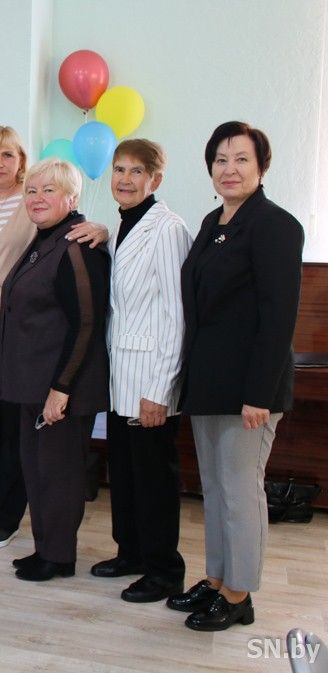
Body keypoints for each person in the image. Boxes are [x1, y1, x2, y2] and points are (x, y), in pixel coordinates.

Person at [169, 122, 303, 631]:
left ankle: (240, 594)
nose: (230, 169)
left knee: (241, 490)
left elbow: (278, 318)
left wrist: (259, 394)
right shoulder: (213, 222)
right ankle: (217, 579)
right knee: (215, 488)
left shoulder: (275, 225)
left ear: (262, 167)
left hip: (250, 387)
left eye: (241, 159)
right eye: (220, 160)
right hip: (208, 381)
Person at [0, 158, 110, 582]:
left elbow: (87, 323)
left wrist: (61, 388)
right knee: (38, 471)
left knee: (59, 475)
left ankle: (59, 557)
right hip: (32, 383)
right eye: (32, 190)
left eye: (49, 190)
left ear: (71, 198)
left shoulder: (78, 245)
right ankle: (46, 548)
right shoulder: (45, 240)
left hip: (60, 387)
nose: (37, 198)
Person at [90, 139, 193, 603]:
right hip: (121, 378)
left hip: (150, 379)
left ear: (156, 179)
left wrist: (160, 389)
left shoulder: (168, 229)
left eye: (136, 171)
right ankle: (130, 553)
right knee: (126, 475)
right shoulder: (123, 224)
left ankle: (164, 571)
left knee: (153, 481)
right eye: (119, 169)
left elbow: (176, 315)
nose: (125, 179)